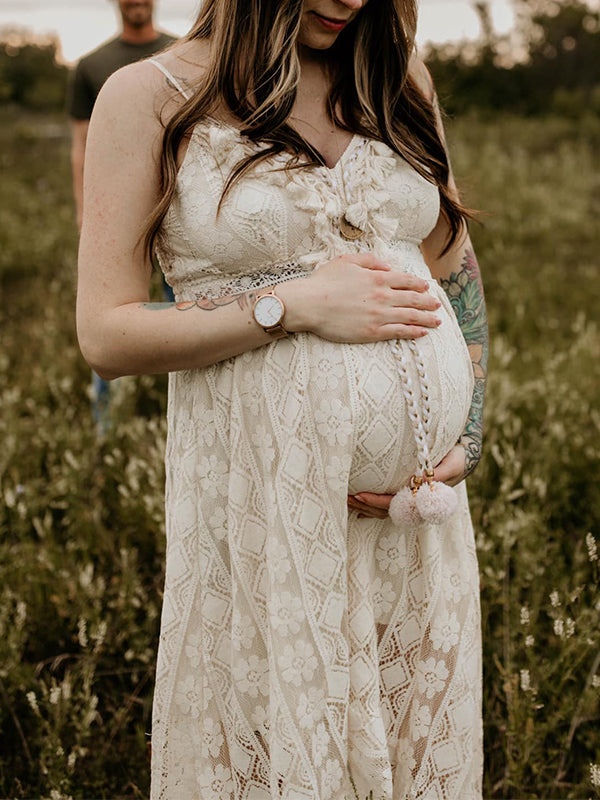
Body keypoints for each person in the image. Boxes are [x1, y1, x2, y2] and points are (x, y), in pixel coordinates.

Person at [77, 0, 489, 796]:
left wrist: (467, 434)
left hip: (416, 523)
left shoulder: (395, 77)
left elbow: (455, 267)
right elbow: (105, 333)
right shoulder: (147, 95)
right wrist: (288, 306)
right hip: (266, 508)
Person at [68, 0, 175, 429]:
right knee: (110, 323)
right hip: (120, 219)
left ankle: (175, 421)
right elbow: (80, 145)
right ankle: (105, 427)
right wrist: (83, 213)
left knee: (191, 316)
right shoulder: (91, 66)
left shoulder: (180, 51)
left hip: (179, 219)